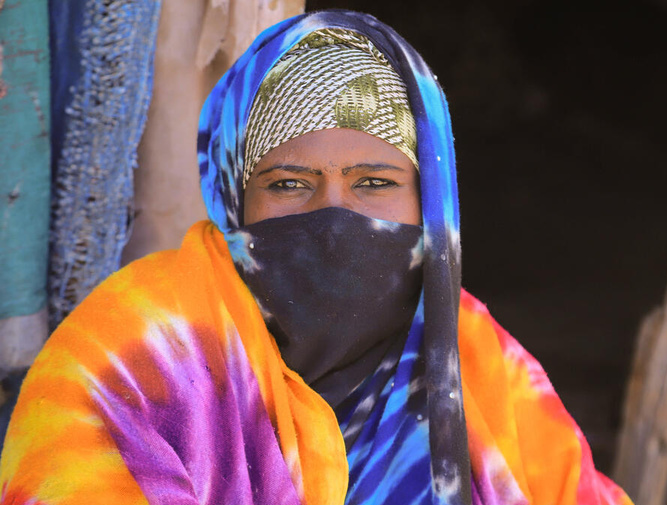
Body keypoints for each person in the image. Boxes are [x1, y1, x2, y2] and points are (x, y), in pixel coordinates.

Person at [0, 10, 632, 505]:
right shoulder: (135, 354)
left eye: (375, 183)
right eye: (287, 184)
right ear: (232, 201)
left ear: (432, 203)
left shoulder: (481, 366)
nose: (334, 217)